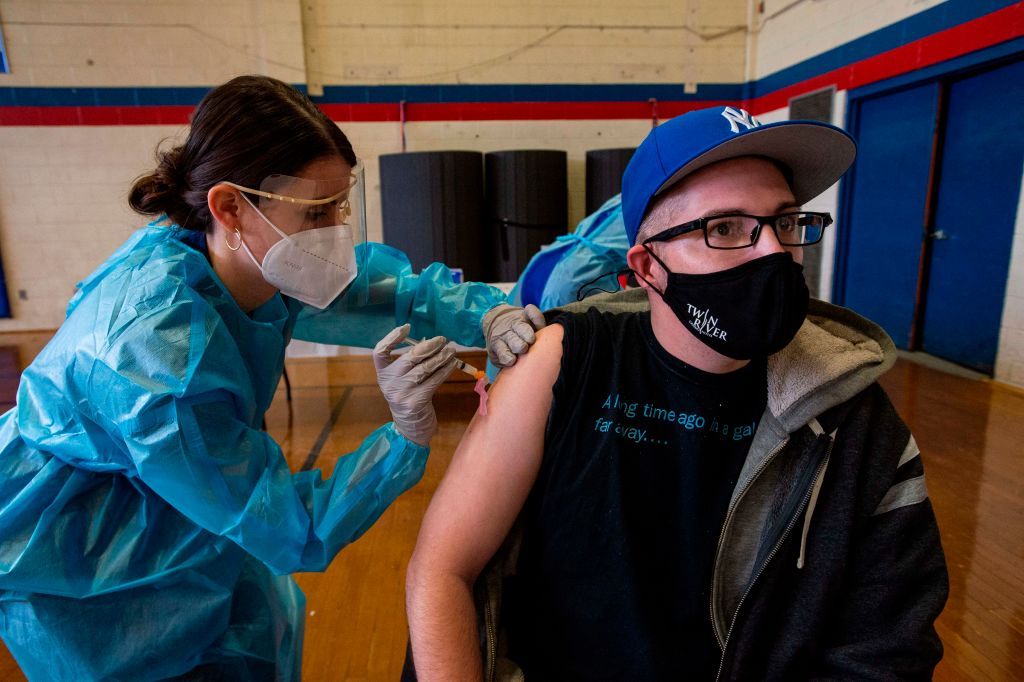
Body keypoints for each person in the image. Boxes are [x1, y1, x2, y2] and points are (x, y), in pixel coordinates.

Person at [0, 75, 543, 681]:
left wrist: (484, 310)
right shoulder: (155, 357)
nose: (337, 230)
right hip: (85, 553)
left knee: (251, 634)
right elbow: (289, 526)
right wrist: (404, 434)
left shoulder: (238, 259)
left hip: (183, 491)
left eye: (341, 203)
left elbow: (375, 289)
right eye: (317, 210)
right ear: (230, 206)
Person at [406, 106, 949, 680]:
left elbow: (886, 649)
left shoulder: (855, 416)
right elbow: (442, 569)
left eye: (786, 222)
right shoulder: (565, 362)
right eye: (725, 228)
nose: (772, 253)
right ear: (646, 266)